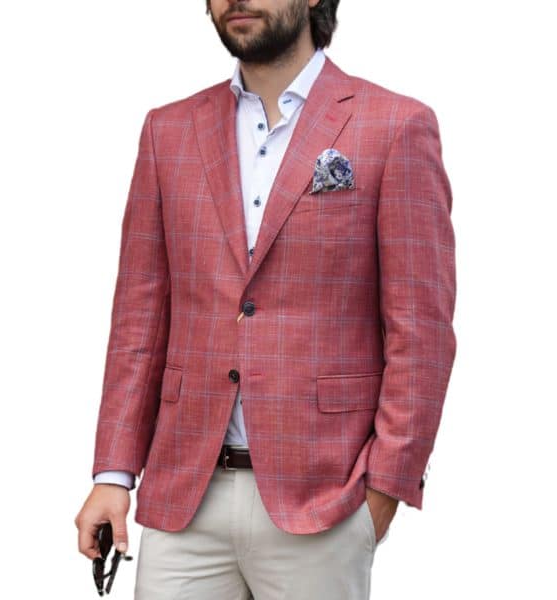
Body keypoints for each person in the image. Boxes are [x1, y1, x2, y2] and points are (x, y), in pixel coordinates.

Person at [75, 1, 457, 598]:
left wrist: (385, 489)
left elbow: (421, 330)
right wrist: (113, 474)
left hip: (325, 499)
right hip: (184, 498)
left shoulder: (395, 125)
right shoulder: (167, 131)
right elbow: (139, 318)